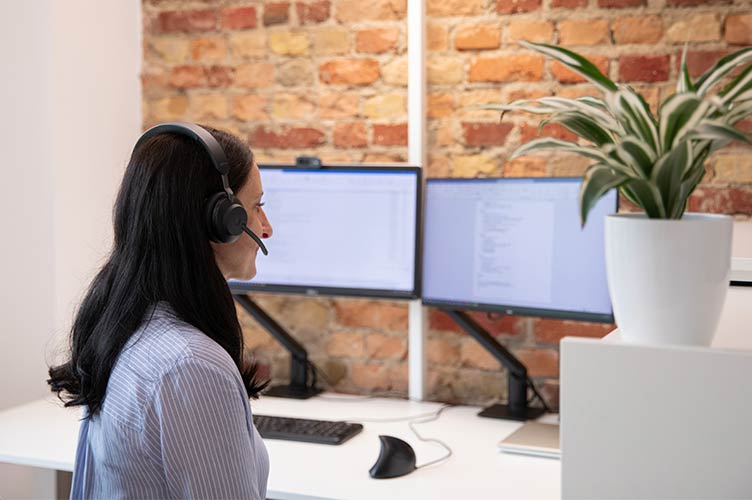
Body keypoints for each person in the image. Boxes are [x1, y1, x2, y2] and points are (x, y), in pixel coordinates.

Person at [47, 123, 273, 499]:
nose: (266, 228)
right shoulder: (192, 365)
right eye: (256, 207)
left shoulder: (130, 328)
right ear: (222, 220)